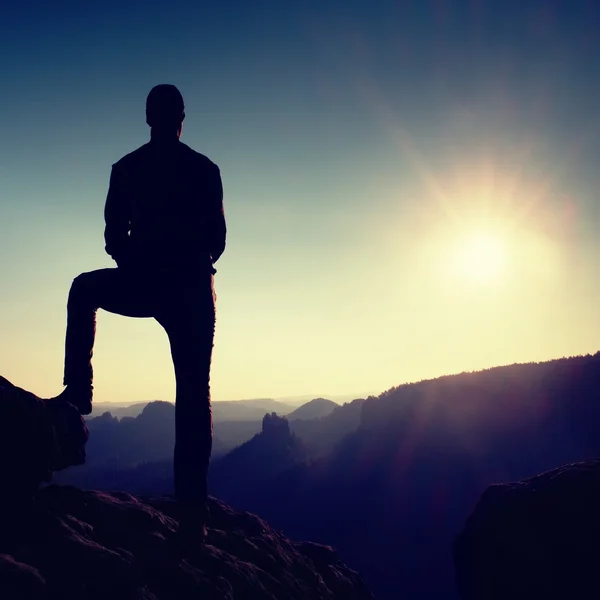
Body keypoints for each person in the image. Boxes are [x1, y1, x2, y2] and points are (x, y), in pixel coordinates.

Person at [49, 84, 226, 543]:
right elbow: (219, 242)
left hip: (147, 280)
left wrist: (137, 262)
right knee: (193, 394)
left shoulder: (126, 169)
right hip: (189, 288)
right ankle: (192, 511)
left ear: (148, 118)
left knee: (84, 289)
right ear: (183, 116)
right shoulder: (205, 170)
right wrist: (180, 259)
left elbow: (112, 234)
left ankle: (79, 390)